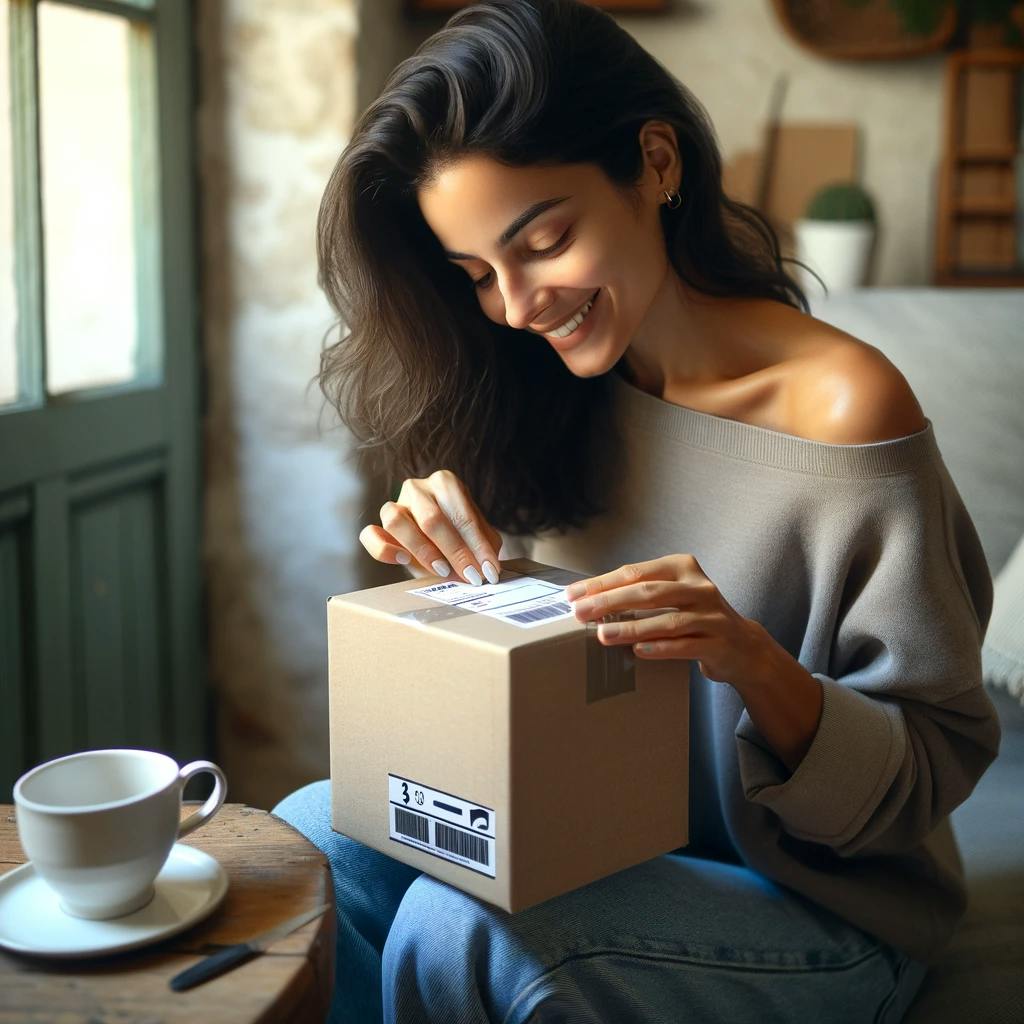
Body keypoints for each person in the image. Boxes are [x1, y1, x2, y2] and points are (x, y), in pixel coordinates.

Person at [273, 1, 1001, 1020]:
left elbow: (931, 763)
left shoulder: (844, 410)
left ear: (657, 163)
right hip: (603, 843)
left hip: (824, 909)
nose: (519, 305)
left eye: (545, 239)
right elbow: (564, 664)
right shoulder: (555, 381)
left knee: (460, 929)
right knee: (309, 836)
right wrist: (452, 572)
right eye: (478, 273)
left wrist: (749, 657)